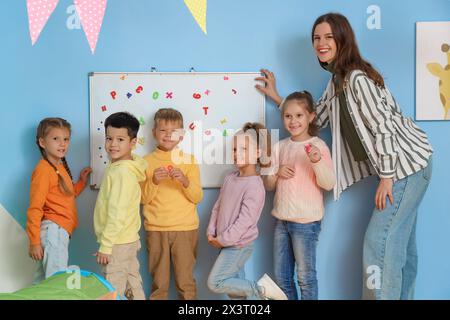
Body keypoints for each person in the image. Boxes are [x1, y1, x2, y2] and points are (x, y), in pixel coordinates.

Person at [255, 12, 433, 300]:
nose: (321, 43)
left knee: (380, 244)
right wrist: (280, 100)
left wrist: (387, 177)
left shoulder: (357, 79)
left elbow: (384, 126)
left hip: (407, 166)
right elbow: (316, 119)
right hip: (408, 166)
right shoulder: (336, 82)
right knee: (399, 249)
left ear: (342, 39)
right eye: (316, 38)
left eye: (328, 36)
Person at [263, 92, 335, 300]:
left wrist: (316, 161)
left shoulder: (318, 146)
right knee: (282, 278)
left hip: (306, 223)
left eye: (299, 116)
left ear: (310, 117)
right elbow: (268, 186)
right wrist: (276, 173)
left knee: (305, 277)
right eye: (288, 116)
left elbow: (328, 184)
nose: (293, 121)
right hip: (282, 221)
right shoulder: (280, 147)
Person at [206, 122, 287, 300]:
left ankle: (260, 289)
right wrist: (212, 231)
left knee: (216, 282)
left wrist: (222, 240)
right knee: (236, 293)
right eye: (235, 149)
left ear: (257, 153)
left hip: (239, 245)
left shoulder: (255, 186)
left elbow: (245, 222)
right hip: (224, 241)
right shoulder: (230, 178)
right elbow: (218, 207)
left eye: (244, 149)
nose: (237, 154)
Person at [141, 108, 203, 300]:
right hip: (156, 229)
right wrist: (154, 182)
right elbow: (143, 199)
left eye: (174, 131)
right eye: (162, 131)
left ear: (182, 135)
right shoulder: (145, 162)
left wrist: (185, 182)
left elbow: (197, 197)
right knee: (159, 283)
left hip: (185, 229)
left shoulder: (189, 161)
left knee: (185, 281)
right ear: (154, 133)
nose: (168, 135)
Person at [26, 117, 91, 284]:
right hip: (53, 231)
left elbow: (65, 195)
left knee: (43, 283)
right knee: (56, 282)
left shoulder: (58, 167)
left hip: (58, 232)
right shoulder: (43, 170)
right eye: (56, 139)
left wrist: (82, 183)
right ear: (42, 142)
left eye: (66, 139)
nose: (62, 144)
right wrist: (34, 242)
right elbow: (35, 208)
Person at [93, 111, 147, 300]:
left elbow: (117, 213)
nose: (113, 144)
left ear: (133, 143)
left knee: (112, 288)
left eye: (120, 139)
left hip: (117, 242)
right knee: (132, 284)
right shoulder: (126, 165)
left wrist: (106, 246)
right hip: (128, 239)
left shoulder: (122, 173)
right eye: (109, 138)